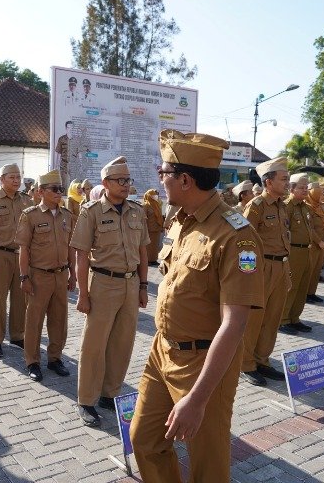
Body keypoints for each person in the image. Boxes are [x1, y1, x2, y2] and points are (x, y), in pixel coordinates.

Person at [130, 130, 264, 482]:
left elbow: (234, 324)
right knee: (144, 439)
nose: (160, 180)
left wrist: (198, 398)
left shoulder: (238, 235)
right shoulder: (181, 219)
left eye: (164, 173)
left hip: (203, 363)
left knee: (207, 466)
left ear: (185, 179)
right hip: (163, 351)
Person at [70, 156, 149, 427]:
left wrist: (143, 286)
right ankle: (86, 400)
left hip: (130, 284)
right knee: (94, 344)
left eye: (128, 180)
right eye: (120, 180)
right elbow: (80, 255)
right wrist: (82, 293)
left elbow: (142, 250)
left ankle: (110, 393)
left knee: (122, 342)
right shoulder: (91, 212)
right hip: (103, 283)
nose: (126, 185)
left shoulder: (138, 211)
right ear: (105, 183)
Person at [16, 170, 76, 381]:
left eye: (61, 189)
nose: (59, 193)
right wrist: (24, 277)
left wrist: (73, 274)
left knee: (59, 320)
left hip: (61, 275)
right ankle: (32, 361)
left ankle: (55, 358)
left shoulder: (67, 215)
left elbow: (71, 248)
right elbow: (24, 249)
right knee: (34, 321)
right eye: (54, 189)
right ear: (40, 192)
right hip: (38, 276)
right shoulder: (30, 215)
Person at [241, 157, 291, 386]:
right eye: (284, 179)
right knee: (253, 319)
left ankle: (262, 360)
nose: (287, 183)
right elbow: (243, 242)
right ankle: (246, 364)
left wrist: (286, 270)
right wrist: (248, 275)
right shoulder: (257, 206)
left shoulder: (282, 206)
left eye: (288, 179)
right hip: (261, 268)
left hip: (280, 266)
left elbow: (283, 241)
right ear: (268, 182)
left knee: (272, 319)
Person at [0, 163, 33, 358]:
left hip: (21, 256)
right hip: (0, 254)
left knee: (20, 299)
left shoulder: (27, 200)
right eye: (12, 177)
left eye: (18, 177)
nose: (16, 180)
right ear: (1, 180)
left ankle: (17, 335)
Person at [279, 173, 314, 335]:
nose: (305, 190)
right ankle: (283, 319)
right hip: (293, 252)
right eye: (301, 188)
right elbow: (284, 231)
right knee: (290, 286)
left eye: (306, 188)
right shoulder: (288, 206)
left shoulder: (305, 207)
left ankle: (295, 318)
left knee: (302, 288)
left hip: (306, 251)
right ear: (291, 189)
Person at [305, 182, 324, 304]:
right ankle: (305, 294)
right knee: (309, 271)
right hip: (313, 243)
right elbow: (309, 228)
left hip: (322, 243)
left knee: (317, 270)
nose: (321, 195)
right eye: (318, 193)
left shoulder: (321, 206)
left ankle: (312, 292)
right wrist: (319, 241)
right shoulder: (306, 207)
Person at [143, 189, 164, 266]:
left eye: (156, 194)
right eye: (154, 194)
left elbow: (159, 216)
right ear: (149, 195)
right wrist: (144, 229)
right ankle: (147, 260)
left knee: (155, 246)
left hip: (157, 229)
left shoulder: (157, 204)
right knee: (148, 246)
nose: (155, 196)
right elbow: (144, 218)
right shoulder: (145, 205)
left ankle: (154, 259)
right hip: (149, 229)